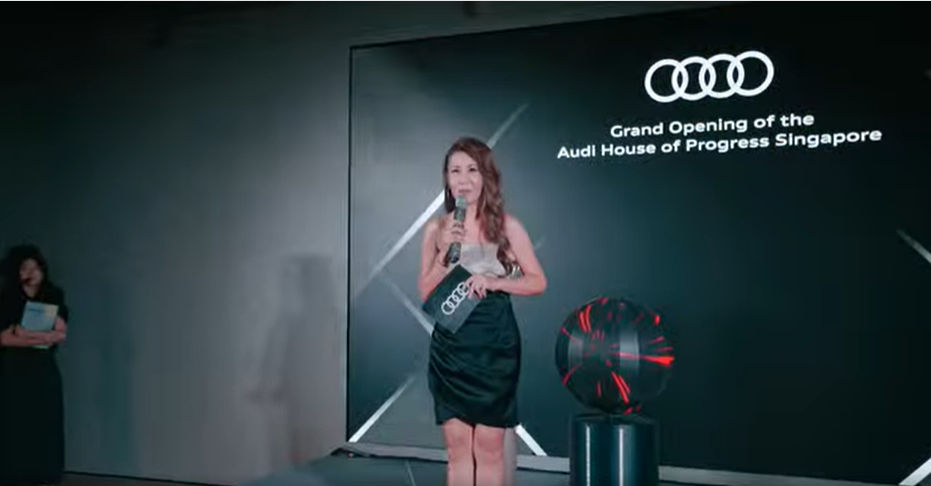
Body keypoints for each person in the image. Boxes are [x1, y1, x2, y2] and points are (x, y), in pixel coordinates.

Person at [418, 137, 547, 486]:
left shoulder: (507, 226)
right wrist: (444, 254)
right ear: (447, 179)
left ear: (485, 176)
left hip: (494, 346)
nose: (463, 179)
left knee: (489, 451)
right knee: (457, 450)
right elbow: (426, 292)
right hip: (450, 349)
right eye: (455, 171)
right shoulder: (437, 229)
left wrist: (495, 282)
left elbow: (537, 281)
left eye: (472, 169)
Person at [0, 244, 69, 486]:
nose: (31, 273)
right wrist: (40, 338)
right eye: (24, 268)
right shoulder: (7, 299)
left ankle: (45, 475)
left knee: (46, 422)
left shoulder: (53, 295)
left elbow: (60, 334)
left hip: (43, 368)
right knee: (16, 422)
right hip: (14, 369)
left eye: (35, 267)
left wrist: (25, 334)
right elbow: (4, 339)